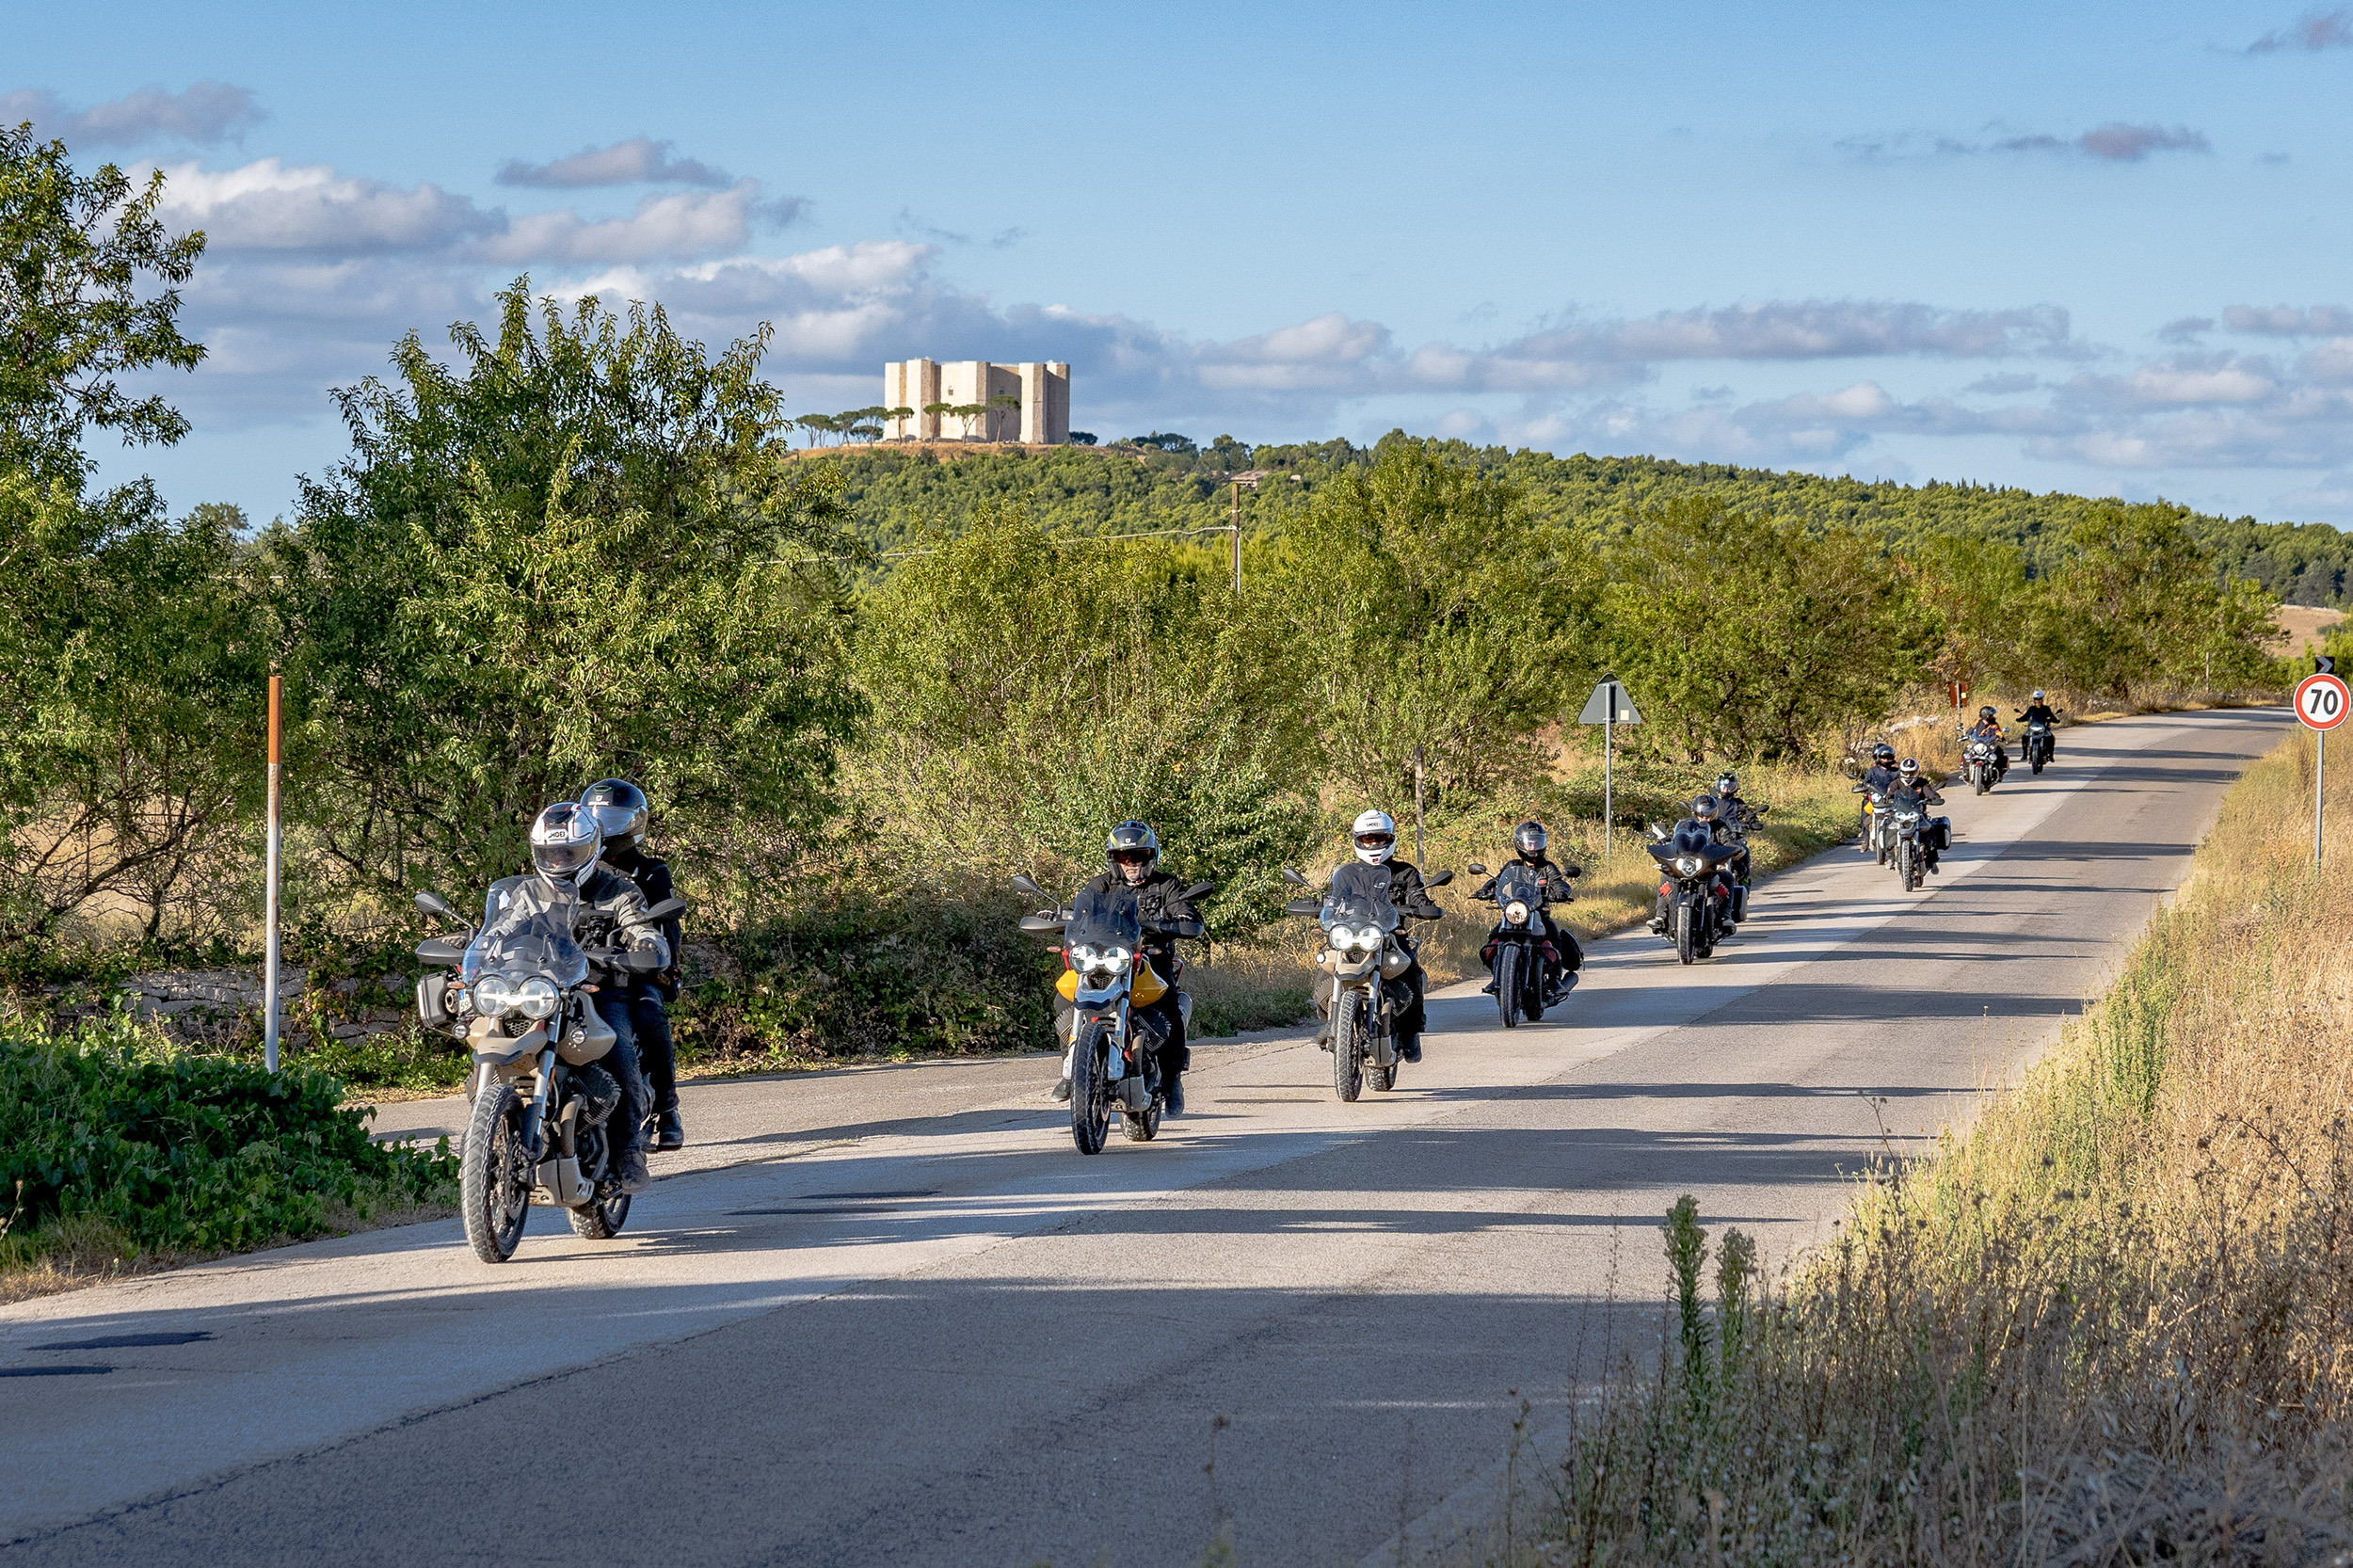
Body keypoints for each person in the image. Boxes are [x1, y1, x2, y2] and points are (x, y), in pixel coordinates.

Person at [525, 802, 665, 1192]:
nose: (560, 860)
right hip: (540, 992)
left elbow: (642, 926)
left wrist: (645, 944)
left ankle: (627, 1148)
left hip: (601, 994)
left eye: (569, 851)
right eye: (552, 852)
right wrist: (468, 943)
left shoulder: (619, 890)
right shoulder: (528, 893)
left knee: (620, 1047)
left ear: (591, 848)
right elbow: (499, 929)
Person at [1050, 821, 1203, 1114]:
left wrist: (1173, 922)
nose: (1131, 863)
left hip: (1150, 959)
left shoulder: (1166, 885)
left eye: (1139, 857)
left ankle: (1172, 1078)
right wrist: (1057, 917)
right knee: (1063, 998)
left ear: (1151, 857)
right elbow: (1077, 913)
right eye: (1124, 857)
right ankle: (1070, 1071)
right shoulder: (1100, 885)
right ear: (1114, 860)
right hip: (1102, 959)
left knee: (1169, 1002)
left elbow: (1189, 917)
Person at [581, 778, 684, 1152]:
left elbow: (666, 926)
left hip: (635, 965)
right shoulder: (575, 867)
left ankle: (668, 1106)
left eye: (613, 817)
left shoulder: (651, 871)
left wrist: (663, 967)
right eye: (597, 816)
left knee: (648, 1016)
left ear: (634, 823)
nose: (605, 825)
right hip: (584, 967)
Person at [1324, 808, 1442, 1062]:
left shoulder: (1405, 872)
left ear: (1389, 839)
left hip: (1389, 938)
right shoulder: (1345, 873)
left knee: (1412, 975)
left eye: (1379, 838)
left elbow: (1417, 894)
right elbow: (1331, 899)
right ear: (1358, 840)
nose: (1374, 843)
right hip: (1351, 938)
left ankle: (1411, 1033)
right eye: (1368, 839)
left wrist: (1423, 906)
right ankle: (1330, 1024)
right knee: (1323, 969)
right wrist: (1319, 908)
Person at [1472, 820, 1582, 1000]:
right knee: (1492, 940)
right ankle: (1497, 977)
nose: (1533, 846)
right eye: (1529, 842)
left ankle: (1555, 980)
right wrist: (1486, 890)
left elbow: (1558, 882)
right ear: (1520, 844)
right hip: (1515, 913)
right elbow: (1498, 881)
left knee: (1554, 937)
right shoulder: (1512, 866)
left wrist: (1561, 892)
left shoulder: (1547, 867)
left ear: (1543, 843)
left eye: (1537, 842)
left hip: (1539, 914)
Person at [1888, 758, 1947, 873]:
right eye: (1906, 772)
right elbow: (1888, 796)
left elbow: (1930, 793)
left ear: (1916, 772)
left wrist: (1934, 798)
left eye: (1912, 773)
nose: (1909, 775)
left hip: (1918, 815)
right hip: (1899, 815)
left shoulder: (1922, 782)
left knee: (1931, 831)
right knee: (1888, 829)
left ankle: (1932, 860)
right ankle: (1890, 858)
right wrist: (1887, 800)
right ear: (1901, 772)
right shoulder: (1896, 783)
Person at [1855, 744, 1898, 851]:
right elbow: (1866, 782)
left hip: (1893, 799)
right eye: (1883, 758)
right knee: (1866, 808)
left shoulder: (1897, 771)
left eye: (1888, 758)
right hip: (1876, 798)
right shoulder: (1873, 771)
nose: (1886, 760)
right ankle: (1866, 838)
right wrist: (1865, 790)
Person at [1965, 704, 2010, 781]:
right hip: (1977, 744)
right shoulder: (1976, 723)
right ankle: (1965, 771)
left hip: (1989, 744)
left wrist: (2002, 738)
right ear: (1985, 716)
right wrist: (1965, 736)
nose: (1992, 717)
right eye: (1991, 715)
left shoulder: (1994, 725)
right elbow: (1970, 731)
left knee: (1999, 752)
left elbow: (1998, 732)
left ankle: (1999, 773)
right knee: (1966, 752)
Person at [2017, 690, 2058, 760]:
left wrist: (2055, 720)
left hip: (2043, 729)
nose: (2038, 701)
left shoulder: (2046, 708)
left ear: (2042, 699)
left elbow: (2052, 716)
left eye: (2039, 699)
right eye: (2036, 699)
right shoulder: (2031, 708)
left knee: (2051, 738)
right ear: (2034, 700)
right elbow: (2026, 716)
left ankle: (2050, 755)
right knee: (2024, 737)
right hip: (2032, 728)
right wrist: (2020, 719)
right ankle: (2024, 755)